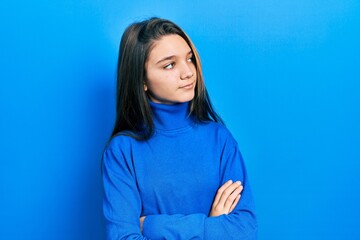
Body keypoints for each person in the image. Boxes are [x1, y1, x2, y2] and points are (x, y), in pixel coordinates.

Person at [102, 17, 258, 239]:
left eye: (189, 59)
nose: (188, 72)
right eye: (169, 65)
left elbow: (245, 229)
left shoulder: (219, 139)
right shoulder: (122, 152)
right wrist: (212, 227)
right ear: (142, 80)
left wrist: (153, 226)